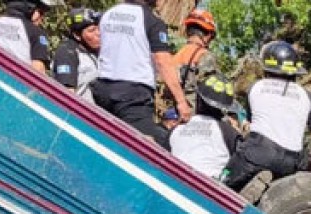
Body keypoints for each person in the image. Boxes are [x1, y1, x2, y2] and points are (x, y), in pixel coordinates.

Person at [222, 41, 311, 194]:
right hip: (291, 163)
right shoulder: (307, 96)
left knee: (222, 187)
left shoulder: (255, 88)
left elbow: (251, 125)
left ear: (266, 69)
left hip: (258, 152)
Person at [93, 0, 190, 144]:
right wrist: (181, 102)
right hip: (133, 97)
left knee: (104, 140)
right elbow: (162, 61)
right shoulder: (152, 21)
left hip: (102, 89)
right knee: (144, 146)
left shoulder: (108, 15)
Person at [169, 73, 241, 179]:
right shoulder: (229, 133)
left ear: (198, 100)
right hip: (209, 189)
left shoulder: (177, 129)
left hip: (174, 183)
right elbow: (240, 164)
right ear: (224, 109)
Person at [0, 0, 59, 73]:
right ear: (30, 8)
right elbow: (38, 70)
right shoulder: (36, 33)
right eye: (41, 13)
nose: (41, 19)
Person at [169, 8, 219, 111]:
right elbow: (212, 94)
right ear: (208, 35)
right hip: (194, 117)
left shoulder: (174, 57)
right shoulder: (204, 56)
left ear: (188, 31)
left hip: (173, 117)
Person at [51, 7, 101, 102]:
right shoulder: (67, 53)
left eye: (99, 28)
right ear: (77, 35)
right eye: (92, 30)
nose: (98, 33)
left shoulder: (96, 51)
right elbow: (67, 95)